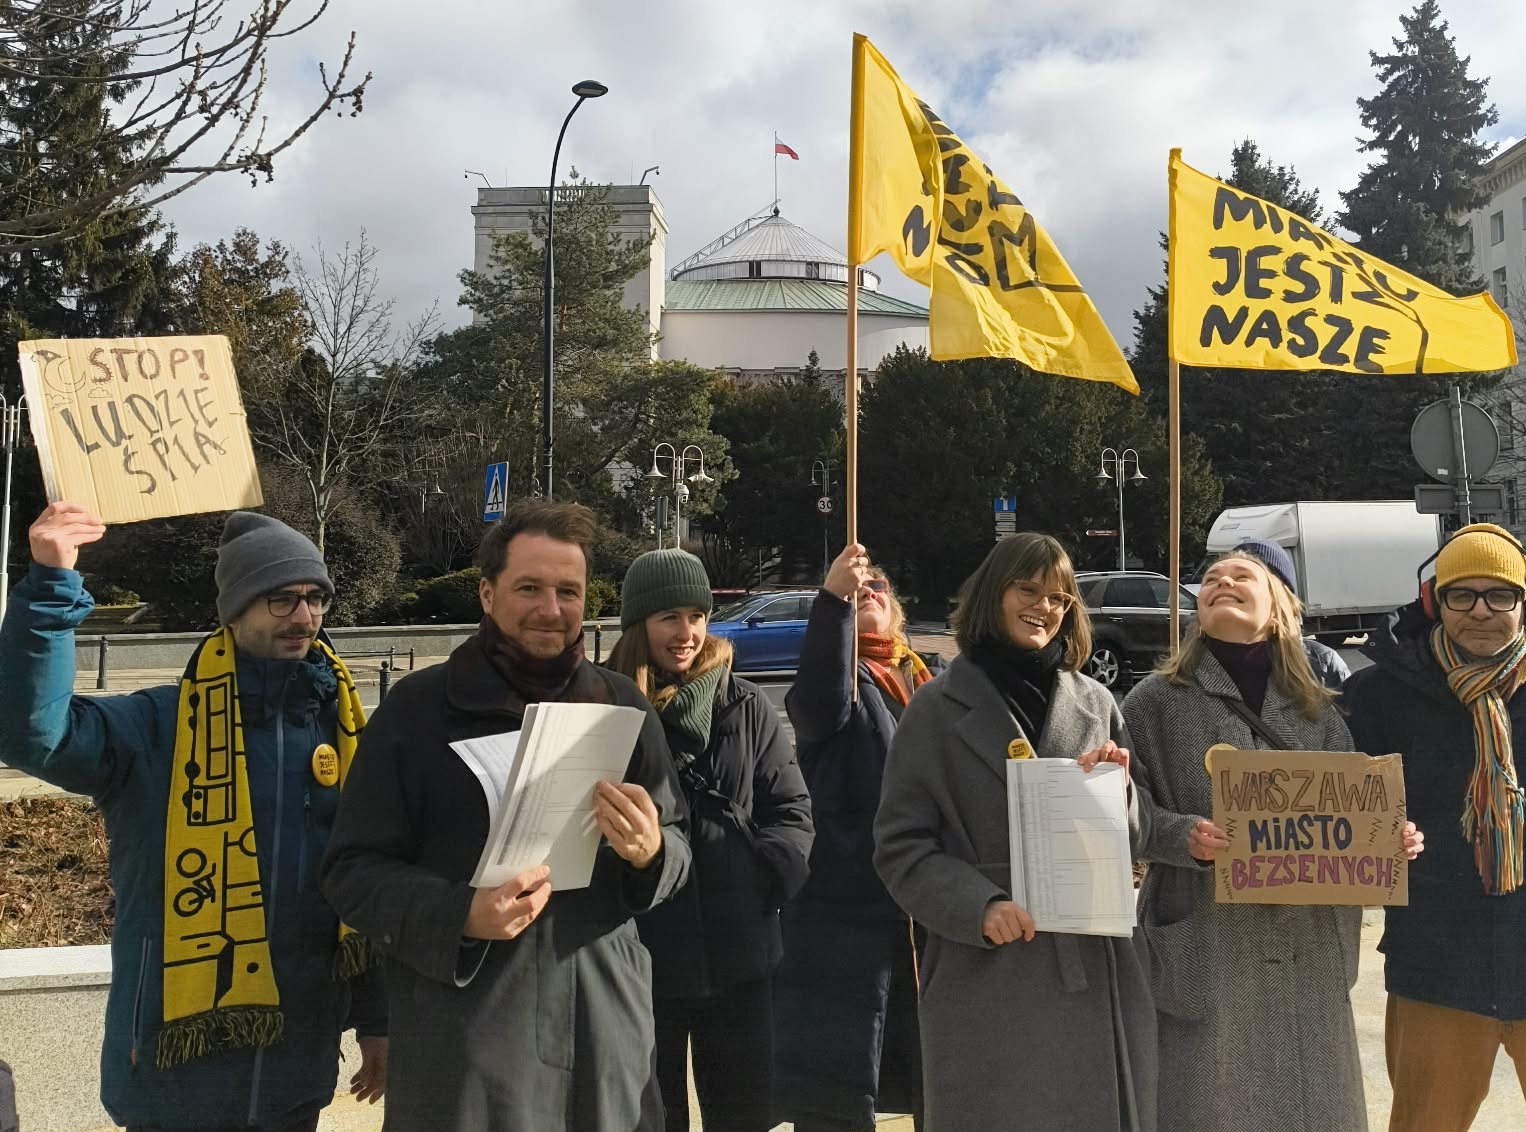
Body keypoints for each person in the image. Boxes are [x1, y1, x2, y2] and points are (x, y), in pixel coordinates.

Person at [0, 502, 386, 1132]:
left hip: (297, 1070)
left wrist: (378, 1021)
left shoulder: (341, 732)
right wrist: (51, 582)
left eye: (316, 598)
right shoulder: (155, 725)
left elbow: (360, 888)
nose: (305, 617)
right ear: (234, 613)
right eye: (281, 599)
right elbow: (31, 736)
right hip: (171, 1072)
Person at [319, 499, 691, 1132]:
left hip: (604, 1035)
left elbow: (678, 844)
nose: (552, 609)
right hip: (466, 1047)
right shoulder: (417, 712)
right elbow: (351, 872)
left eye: (568, 591)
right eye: (530, 588)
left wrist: (651, 852)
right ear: (487, 594)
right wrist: (460, 913)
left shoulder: (622, 705)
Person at [1126, 548, 1422, 1132]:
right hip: (1208, 947)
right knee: (1211, 1107)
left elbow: (1353, 809)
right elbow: (1127, 814)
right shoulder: (1153, 704)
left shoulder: (1320, 710)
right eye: (1210, 580)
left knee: (1313, 1107)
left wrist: (1390, 838)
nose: (1221, 584)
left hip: (1308, 950)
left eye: (1241, 577)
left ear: (1281, 606)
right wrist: (1182, 837)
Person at [873, 532, 1156, 1132]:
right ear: (992, 595)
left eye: (1059, 597)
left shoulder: (1097, 701)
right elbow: (900, 847)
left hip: (1088, 966)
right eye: (1028, 590)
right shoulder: (934, 707)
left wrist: (1119, 793)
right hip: (986, 973)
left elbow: (1137, 835)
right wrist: (978, 905)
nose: (1045, 607)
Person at [606, 548, 814, 1132]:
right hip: (642, 961)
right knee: (647, 1117)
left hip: (741, 958)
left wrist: (766, 875)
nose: (687, 633)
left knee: (745, 1114)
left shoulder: (745, 704)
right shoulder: (606, 709)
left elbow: (790, 809)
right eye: (669, 617)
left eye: (696, 616)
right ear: (638, 623)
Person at [1344, 523, 1526, 1132]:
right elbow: (1328, 802)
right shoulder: (1378, 695)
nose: (1481, 610)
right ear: (1434, 601)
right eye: (1462, 594)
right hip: (1437, 962)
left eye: (1499, 594)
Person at [772, 542, 933, 1131]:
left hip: (916, 911)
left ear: (898, 615)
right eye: (860, 589)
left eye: (879, 590)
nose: (871, 592)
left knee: (928, 1082)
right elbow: (817, 700)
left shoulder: (922, 682)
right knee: (839, 1093)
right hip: (844, 914)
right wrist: (833, 600)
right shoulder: (839, 685)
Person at [1231, 538, 1351, 689]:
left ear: (1283, 597)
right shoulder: (1197, 663)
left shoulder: (1323, 662)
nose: (1232, 586)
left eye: (1250, 580)